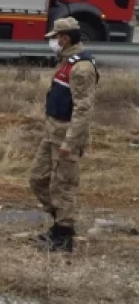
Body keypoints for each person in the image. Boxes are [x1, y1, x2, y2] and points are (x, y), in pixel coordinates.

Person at [29, 17, 98, 252]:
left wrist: (70, 141)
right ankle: (59, 221)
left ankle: (64, 233)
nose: (53, 42)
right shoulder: (68, 62)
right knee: (37, 178)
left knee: (63, 185)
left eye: (55, 38)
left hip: (66, 136)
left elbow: (83, 109)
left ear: (65, 38)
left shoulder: (82, 68)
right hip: (52, 132)